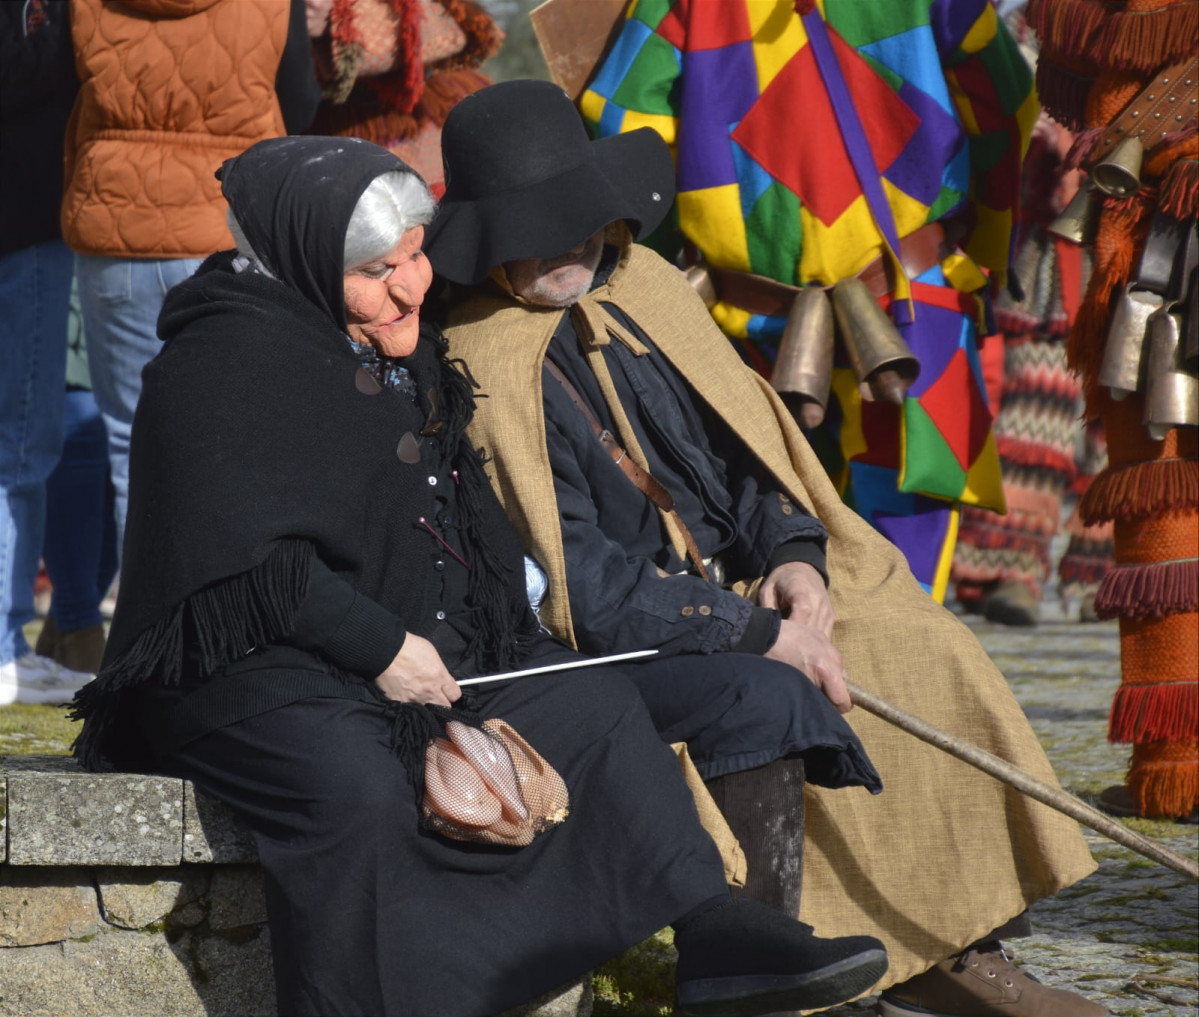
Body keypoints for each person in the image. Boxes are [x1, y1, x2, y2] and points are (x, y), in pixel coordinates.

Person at [70, 135, 892, 1017]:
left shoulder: (382, 340)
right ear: (306, 259)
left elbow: (450, 511)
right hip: (247, 668)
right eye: (377, 268)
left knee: (594, 707)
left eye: (416, 256)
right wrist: (380, 645)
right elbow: (236, 561)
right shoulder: (214, 365)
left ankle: (712, 933)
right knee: (353, 787)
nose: (411, 285)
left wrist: (502, 629)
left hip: (410, 649)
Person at [427, 80, 1108, 1017]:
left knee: (915, 638)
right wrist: (744, 628)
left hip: (746, 582)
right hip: (629, 629)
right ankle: (817, 968)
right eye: (545, 231)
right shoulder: (477, 364)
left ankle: (952, 938)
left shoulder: (645, 291)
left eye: (583, 220)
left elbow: (750, 453)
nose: (576, 245)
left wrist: (794, 559)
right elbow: (576, 581)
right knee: (778, 688)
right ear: (488, 241)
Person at [576, 0, 1036, 605]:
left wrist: (657, 269)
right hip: (912, 298)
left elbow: (617, 120)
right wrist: (988, 243)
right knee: (902, 552)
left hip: (743, 318)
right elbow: (1005, 104)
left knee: (773, 536)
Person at [61, 0, 321, 557]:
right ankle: (248, 624)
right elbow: (300, 100)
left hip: (120, 222)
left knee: (133, 441)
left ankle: (148, 627)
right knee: (250, 432)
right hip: (230, 226)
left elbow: (67, 92)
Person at [1026, 0, 1197, 822]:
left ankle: (1175, 764)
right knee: (1165, 500)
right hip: (1152, 242)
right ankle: (1174, 761)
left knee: (1166, 496)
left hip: (1158, 241)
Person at [0, 0, 93, 705]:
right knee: (23, 446)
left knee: (27, 444)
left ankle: (9, 641)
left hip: (33, 219)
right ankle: (4, 644)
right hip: (26, 219)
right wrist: (73, 36)